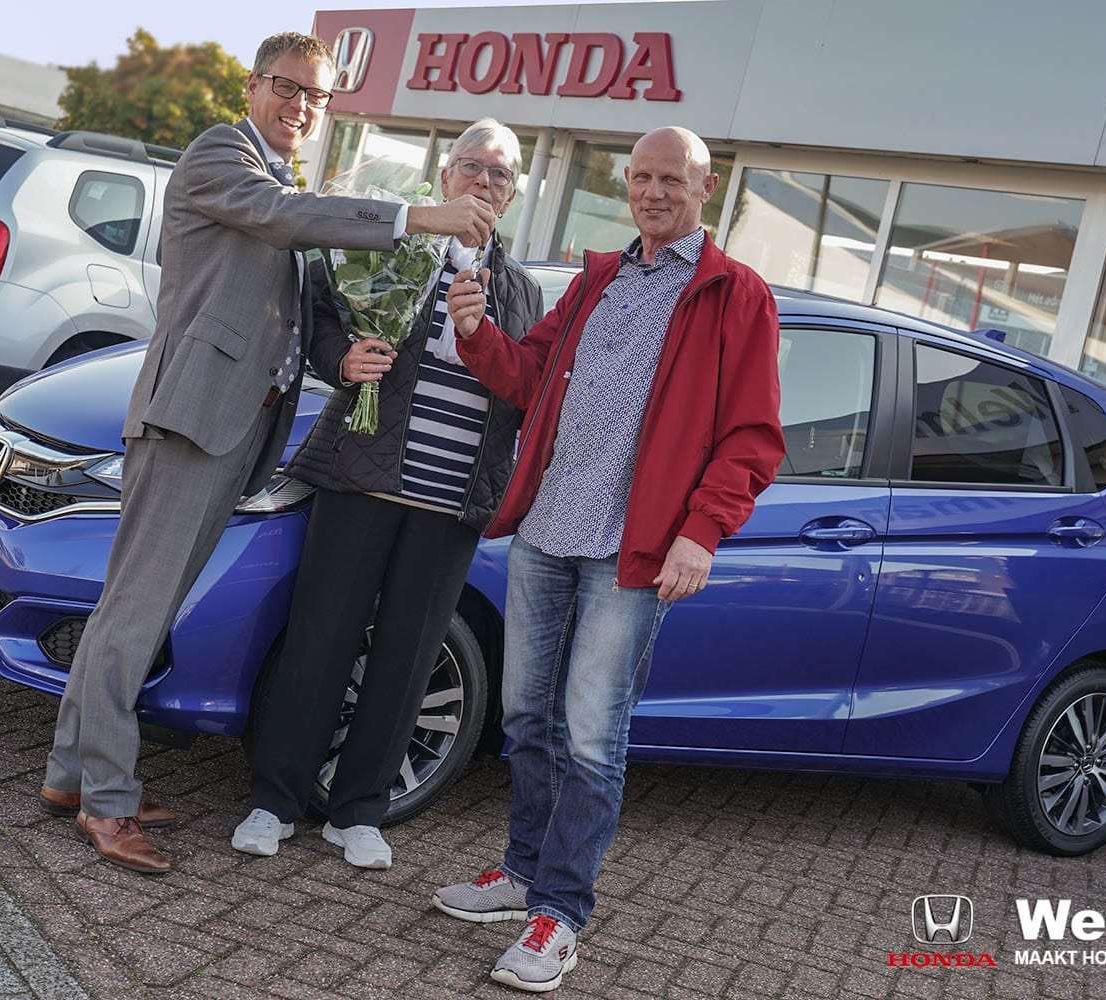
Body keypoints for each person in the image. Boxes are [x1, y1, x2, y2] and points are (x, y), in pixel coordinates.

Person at [39, 31, 494, 876]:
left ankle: (72, 775)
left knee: (139, 611)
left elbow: (291, 298)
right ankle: (105, 798)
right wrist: (418, 218)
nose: (301, 106)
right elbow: (285, 218)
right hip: (191, 421)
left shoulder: (278, 175)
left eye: (317, 96)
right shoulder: (223, 155)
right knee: (135, 614)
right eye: (288, 87)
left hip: (236, 431)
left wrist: (343, 356)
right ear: (253, 86)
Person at [434, 126, 784, 992]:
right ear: (627, 183)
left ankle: (559, 915)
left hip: (632, 552)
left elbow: (752, 436)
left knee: (592, 738)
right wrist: (476, 333)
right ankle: (523, 873)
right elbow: (528, 376)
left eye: (672, 179)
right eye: (642, 177)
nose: (654, 192)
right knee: (525, 717)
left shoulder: (735, 294)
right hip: (548, 531)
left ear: (704, 187)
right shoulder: (599, 279)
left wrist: (702, 531)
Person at [233, 119, 544, 868]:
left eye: (500, 174)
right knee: (321, 640)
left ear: (512, 194)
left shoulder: (522, 291)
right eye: (472, 166)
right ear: (446, 176)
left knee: (407, 659)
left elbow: (528, 388)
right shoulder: (395, 249)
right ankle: (275, 801)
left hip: (452, 500)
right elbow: (321, 318)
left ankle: (360, 811)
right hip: (362, 478)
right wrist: (343, 359)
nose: (483, 182)